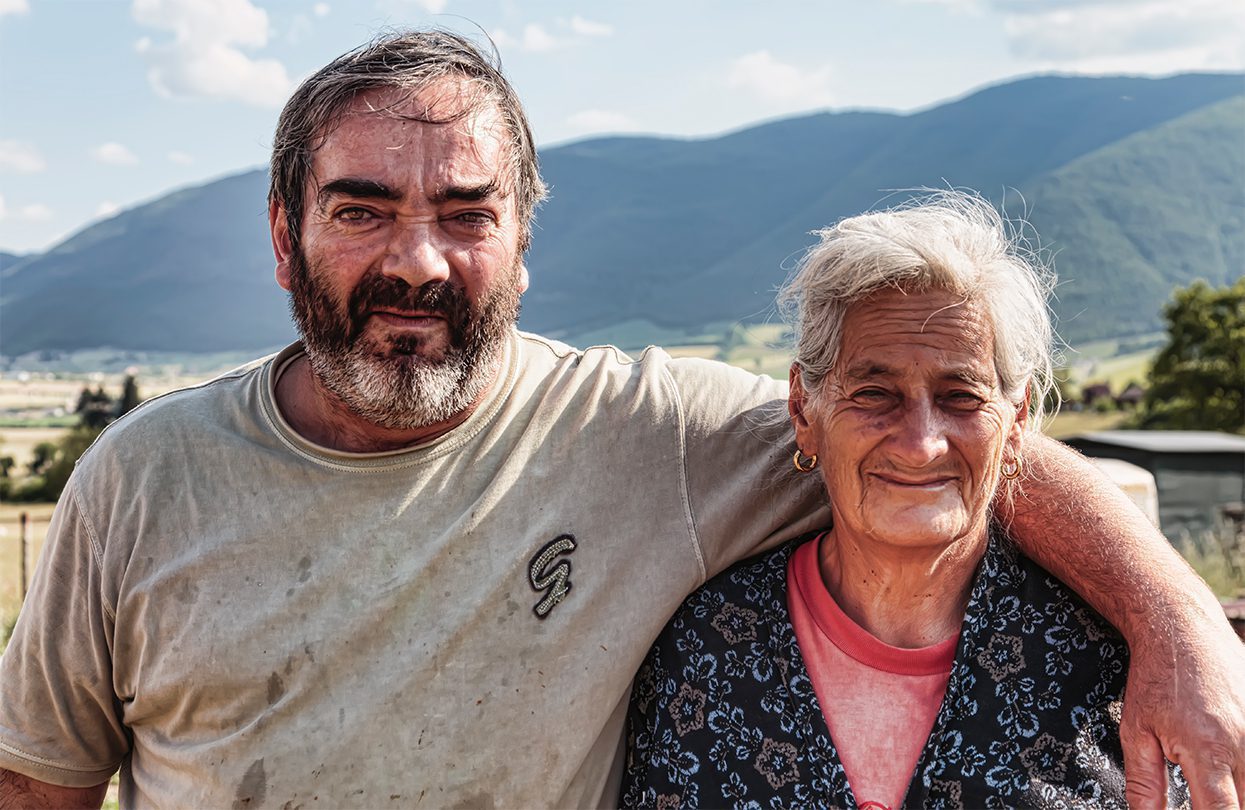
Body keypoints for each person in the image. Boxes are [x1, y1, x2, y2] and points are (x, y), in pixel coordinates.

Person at [0, 30, 1241, 810]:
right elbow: (38, 784)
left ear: (525, 243)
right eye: (362, 209)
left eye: (469, 214)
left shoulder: (650, 431)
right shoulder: (143, 481)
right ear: (286, 235)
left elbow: (934, 445)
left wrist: (1181, 627)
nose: (419, 260)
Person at [620, 195, 1189, 808]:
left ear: (1017, 420)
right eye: (872, 393)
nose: (921, 445)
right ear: (803, 410)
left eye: (961, 397)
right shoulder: (706, 652)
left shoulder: (1113, 661)